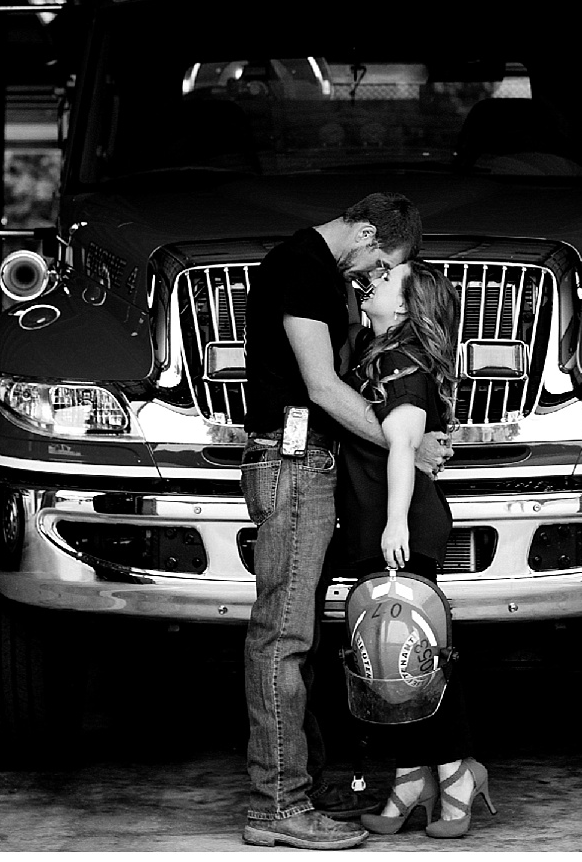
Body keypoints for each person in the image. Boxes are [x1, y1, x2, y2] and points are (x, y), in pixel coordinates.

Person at [240, 193, 451, 850]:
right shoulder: (304, 269)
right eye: (381, 261)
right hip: (293, 461)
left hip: (305, 464)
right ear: (364, 231)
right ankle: (277, 804)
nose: (374, 277)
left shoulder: (314, 269)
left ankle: (306, 785)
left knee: (305, 632)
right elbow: (324, 386)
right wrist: (405, 444)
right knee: (284, 636)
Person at [339, 261, 497, 840]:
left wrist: (394, 523)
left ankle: (456, 773)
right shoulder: (371, 350)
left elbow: (403, 450)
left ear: (405, 308)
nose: (369, 285)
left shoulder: (403, 368)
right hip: (373, 521)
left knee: (418, 656)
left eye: (381, 282)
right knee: (387, 661)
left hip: (399, 524)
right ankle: (411, 776)